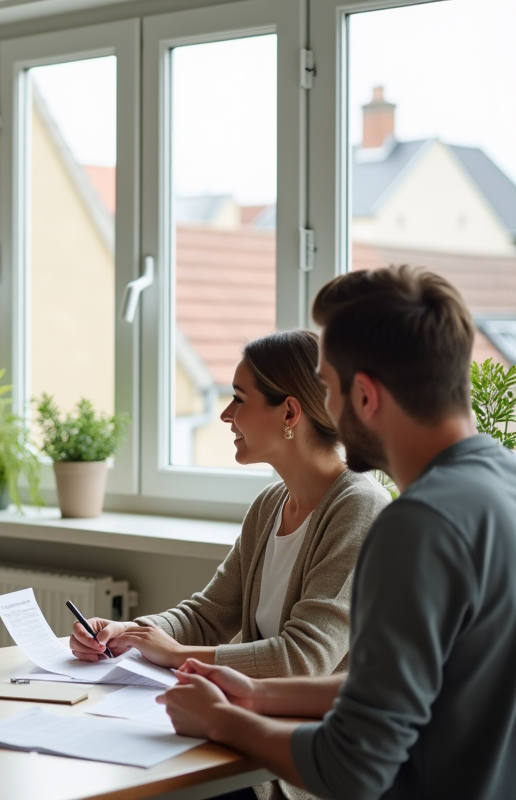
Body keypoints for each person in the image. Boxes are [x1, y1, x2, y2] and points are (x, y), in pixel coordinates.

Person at [161, 265, 516, 800]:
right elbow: (407, 690)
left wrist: (223, 722)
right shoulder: (500, 487)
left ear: (366, 397)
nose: (323, 407)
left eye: (328, 387)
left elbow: (355, 765)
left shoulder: (417, 526)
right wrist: (256, 695)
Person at [72, 330, 389, 800]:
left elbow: (302, 660)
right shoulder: (270, 505)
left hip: (298, 768)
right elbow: (207, 615)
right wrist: (130, 633)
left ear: (289, 412)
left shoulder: (359, 508)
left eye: (239, 399)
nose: (226, 415)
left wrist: (178, 657)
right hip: (246, 737)